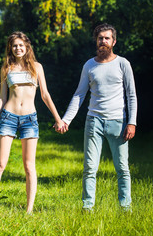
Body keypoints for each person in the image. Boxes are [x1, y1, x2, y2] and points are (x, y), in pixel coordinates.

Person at [56, 23, 137, 211]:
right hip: (94, 121)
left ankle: (126, 208)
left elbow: (131, 95)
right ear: (96, 41)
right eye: (100, 38)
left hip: (118, 122)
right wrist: (66, 119)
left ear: (114, 41)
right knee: (90, 168)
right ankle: (87, 207)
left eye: (107, 38)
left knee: (122, 168)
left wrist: (131, 122)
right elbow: (79, 94)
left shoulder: (123, 64)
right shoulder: (89, 65)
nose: (103, 41)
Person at [0, 31, 66, 214]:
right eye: (14, 45)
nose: (18, 48)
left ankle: (29, 210)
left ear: (27, 47)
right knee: (0, 164)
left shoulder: (37, 67)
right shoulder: (6, 68)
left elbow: (45, 95)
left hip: (30, 119)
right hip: (8, 117)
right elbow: (1, 97)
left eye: (21, 45)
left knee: (29, 166)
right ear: (11, 48)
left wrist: (58, 118)